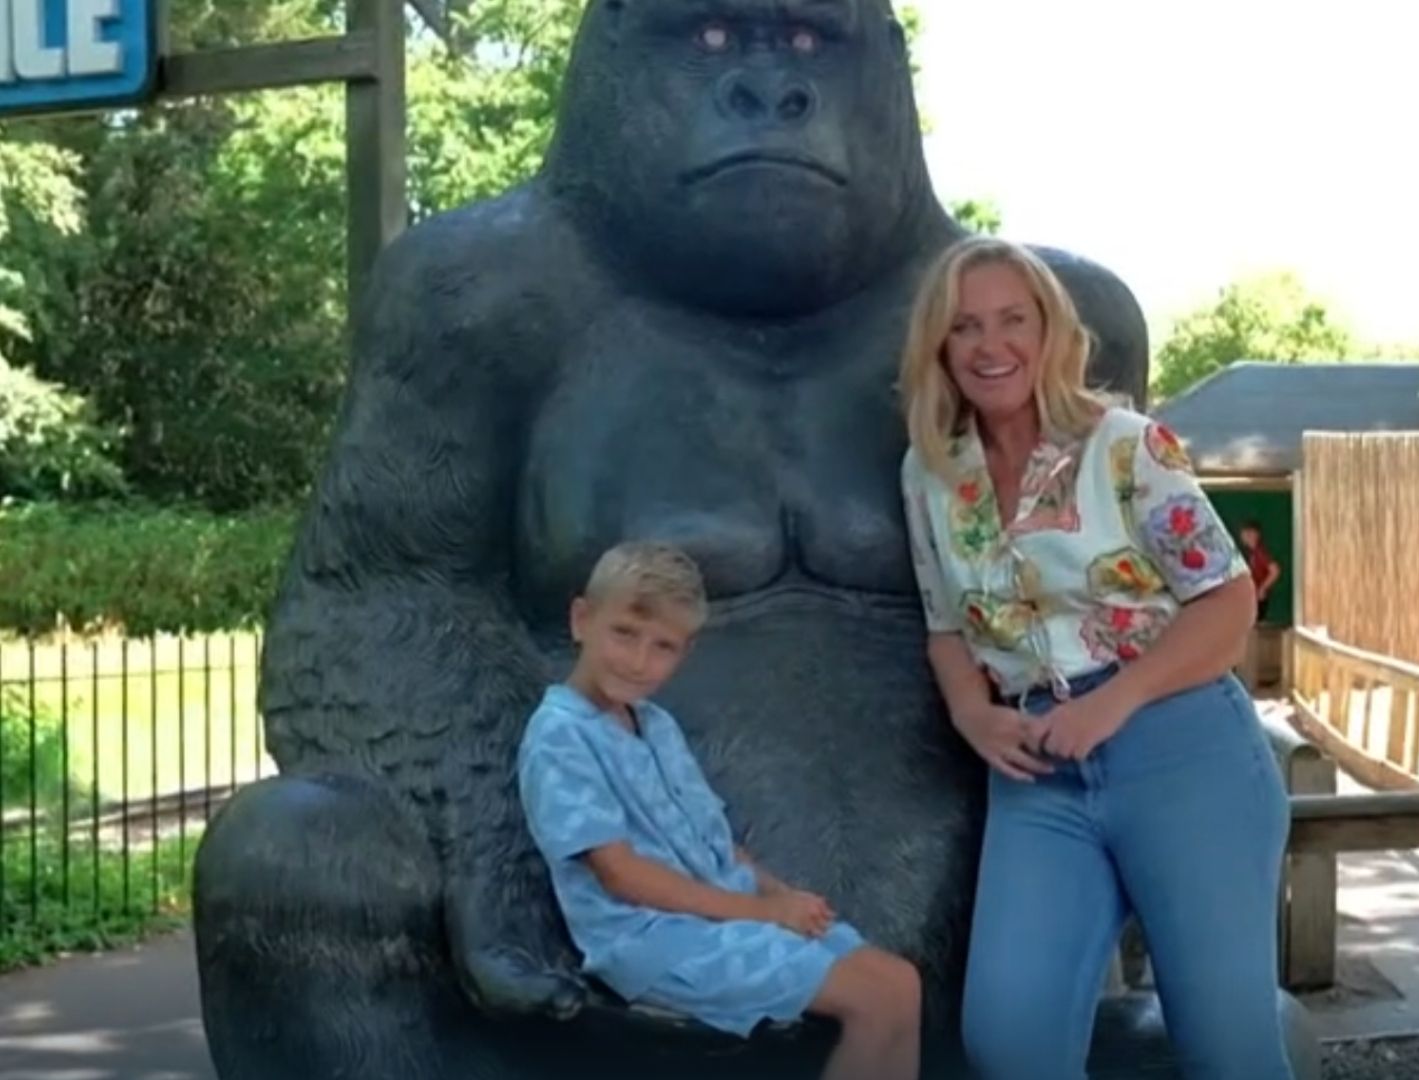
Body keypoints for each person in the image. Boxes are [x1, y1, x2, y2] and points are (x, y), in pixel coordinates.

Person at [896, 236, 1294, 1080]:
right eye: (966, 326)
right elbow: (943, 624)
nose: (990, 345)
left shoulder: (1126, 446)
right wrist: (973, 714)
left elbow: (1228, 606)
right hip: (1040, 774)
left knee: (1229, 1053)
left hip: (1184, 753)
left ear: (1051, 333)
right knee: (1010, 1044)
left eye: (1013, 320)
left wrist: (1113, 703)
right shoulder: (931, 473)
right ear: (940, 345)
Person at [516, 540, 922, 1080]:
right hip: (655, 940)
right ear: (581, 619)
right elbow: (619, 874)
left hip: (724, 912)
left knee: (901, 984)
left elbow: (712, 841)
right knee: (871, 1002)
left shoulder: (655, 724)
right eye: (624, 634)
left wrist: (778, 892)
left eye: (662, 646)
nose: (639, 662)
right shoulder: (558, 737)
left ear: (683, 653)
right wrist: (765, 914)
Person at [1238, 520, 1281, 625]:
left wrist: (1262, 588)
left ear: (1254, 534)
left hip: (1258, 598)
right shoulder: (1252, 553)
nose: (1243, 537)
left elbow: (1275, 571)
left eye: (1246, 533)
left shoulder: (1260, 552)